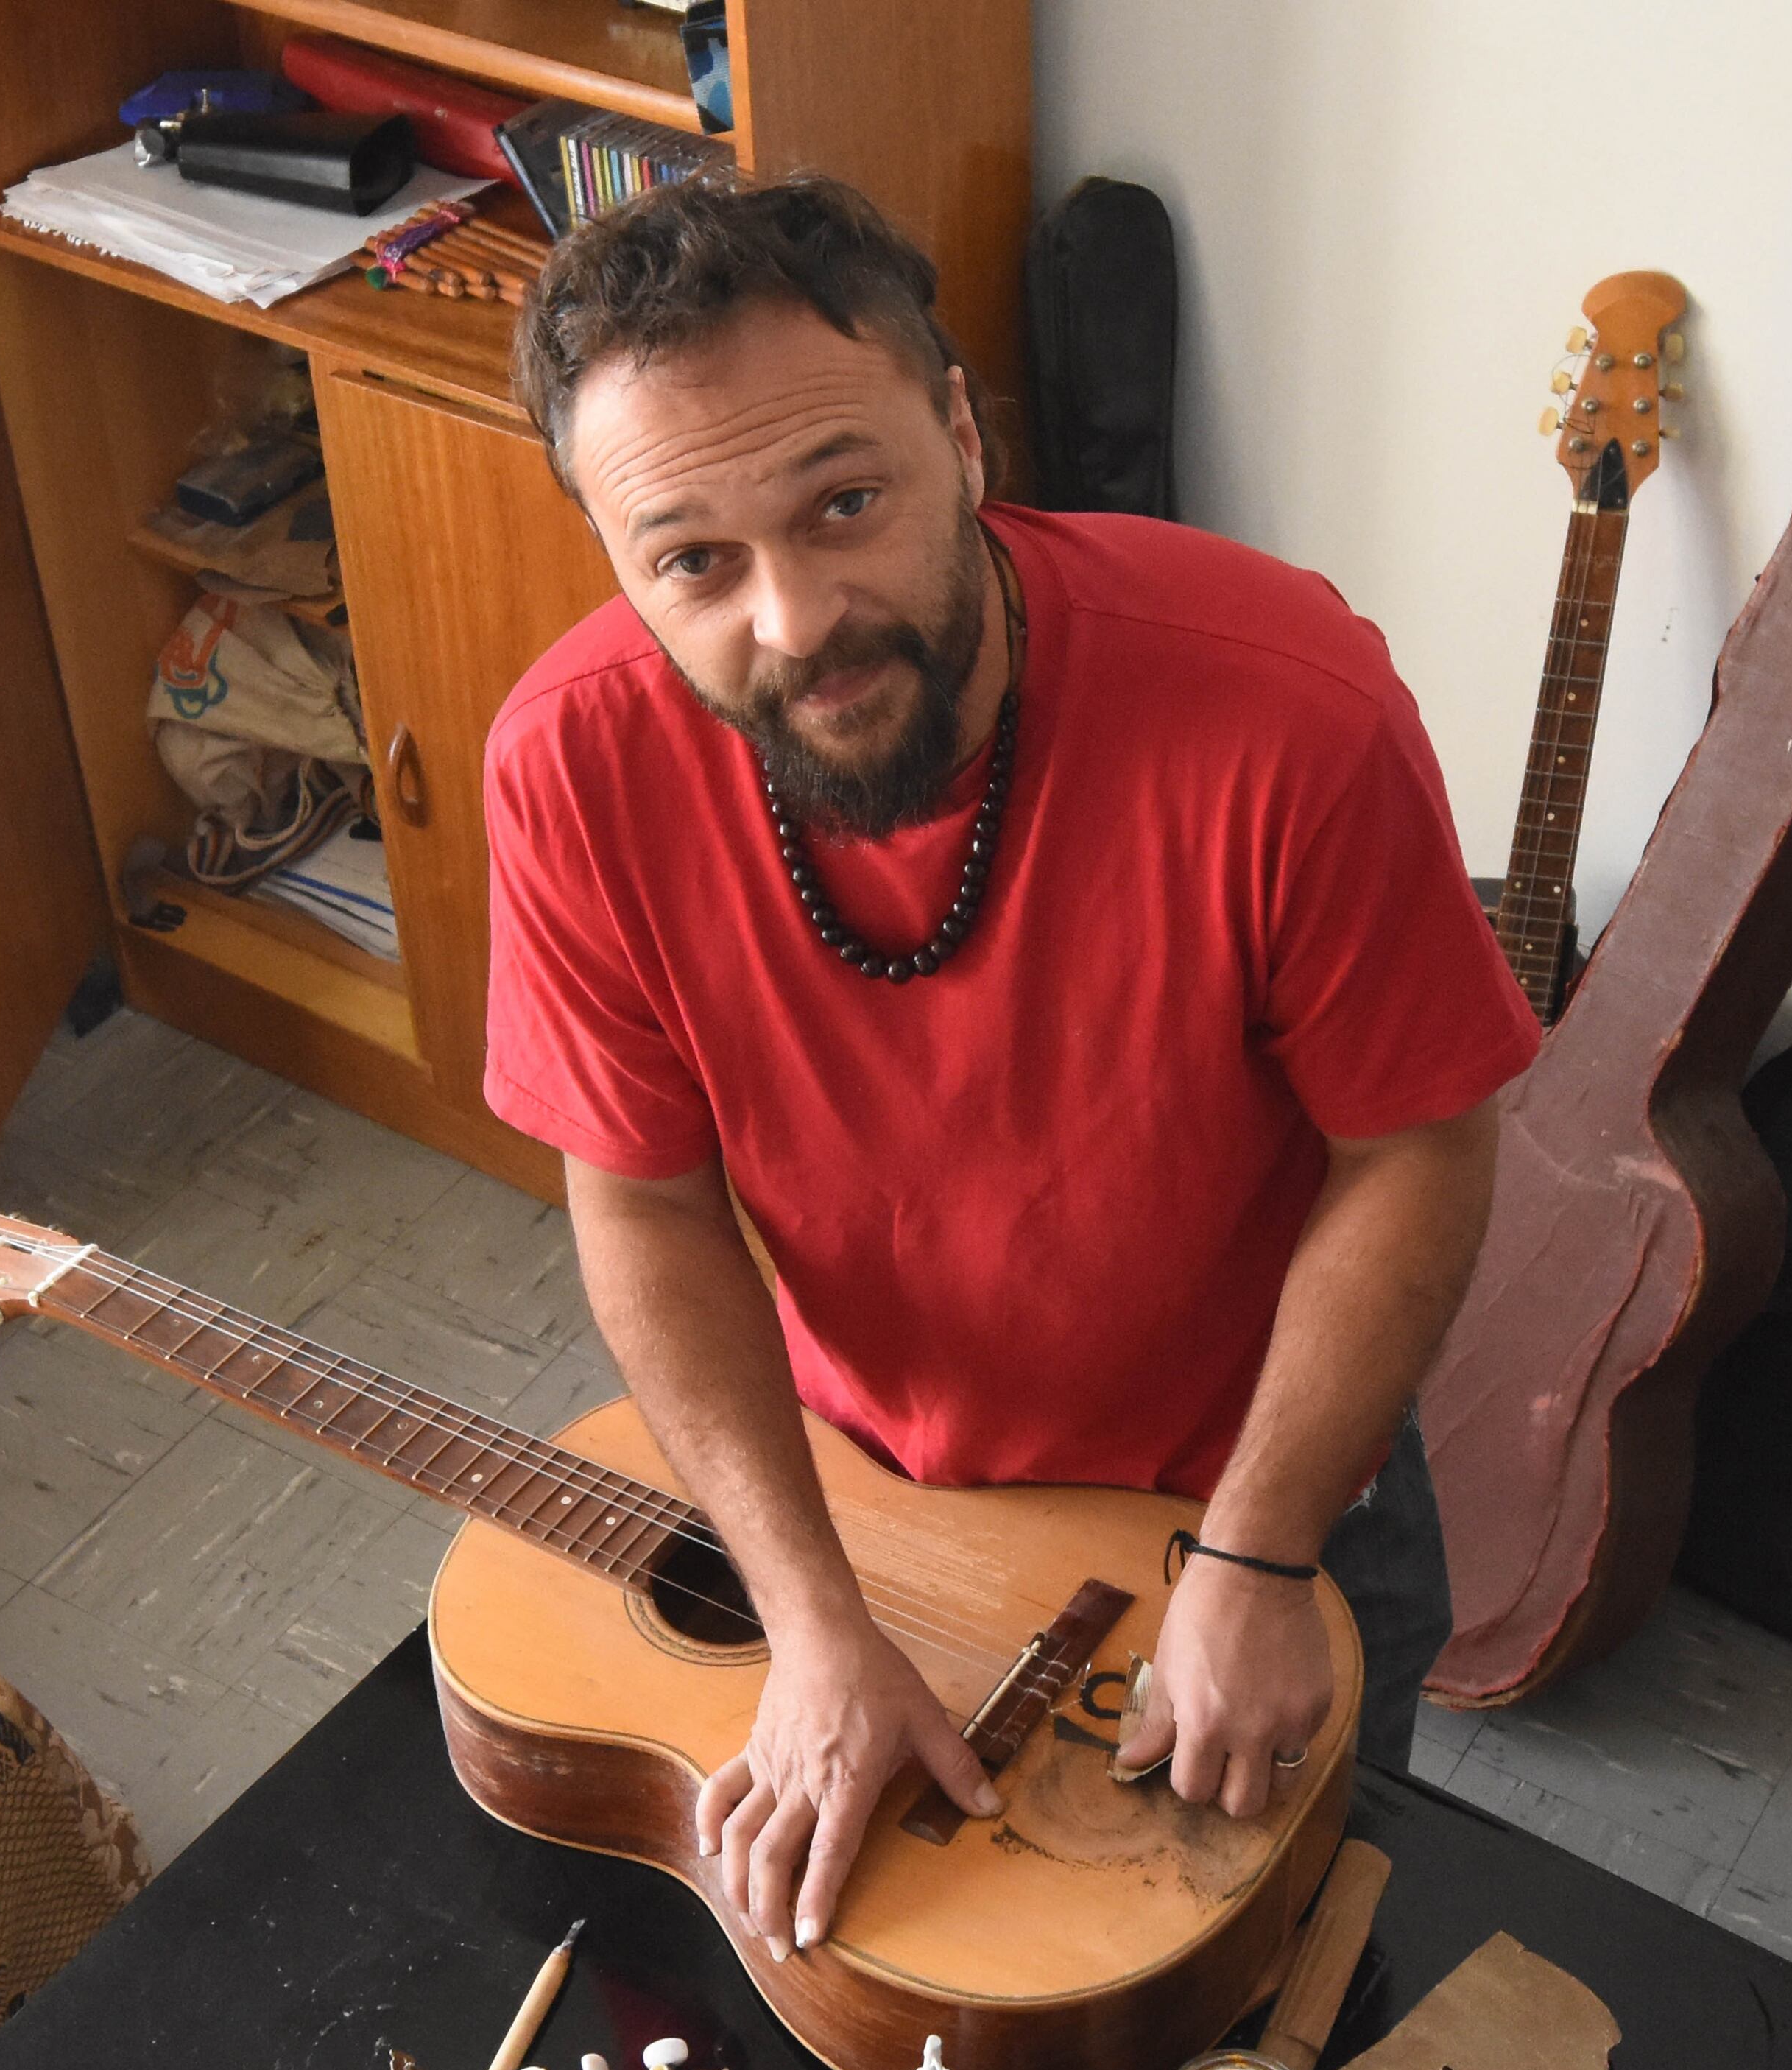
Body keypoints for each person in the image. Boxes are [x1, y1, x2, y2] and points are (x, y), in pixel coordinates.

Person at [481, 175, 1540, 1962]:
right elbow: (643, 1201)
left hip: (1254, 1481)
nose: (797, 618)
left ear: (961, 432)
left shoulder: (1291, 710)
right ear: (615, 561)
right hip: (865, 1493)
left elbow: (1417, 1148)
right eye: (694, 561)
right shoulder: (566, 766)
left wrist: (1263, 1552)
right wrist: (809, 1612)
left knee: (1294, 1977)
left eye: (845, 503)